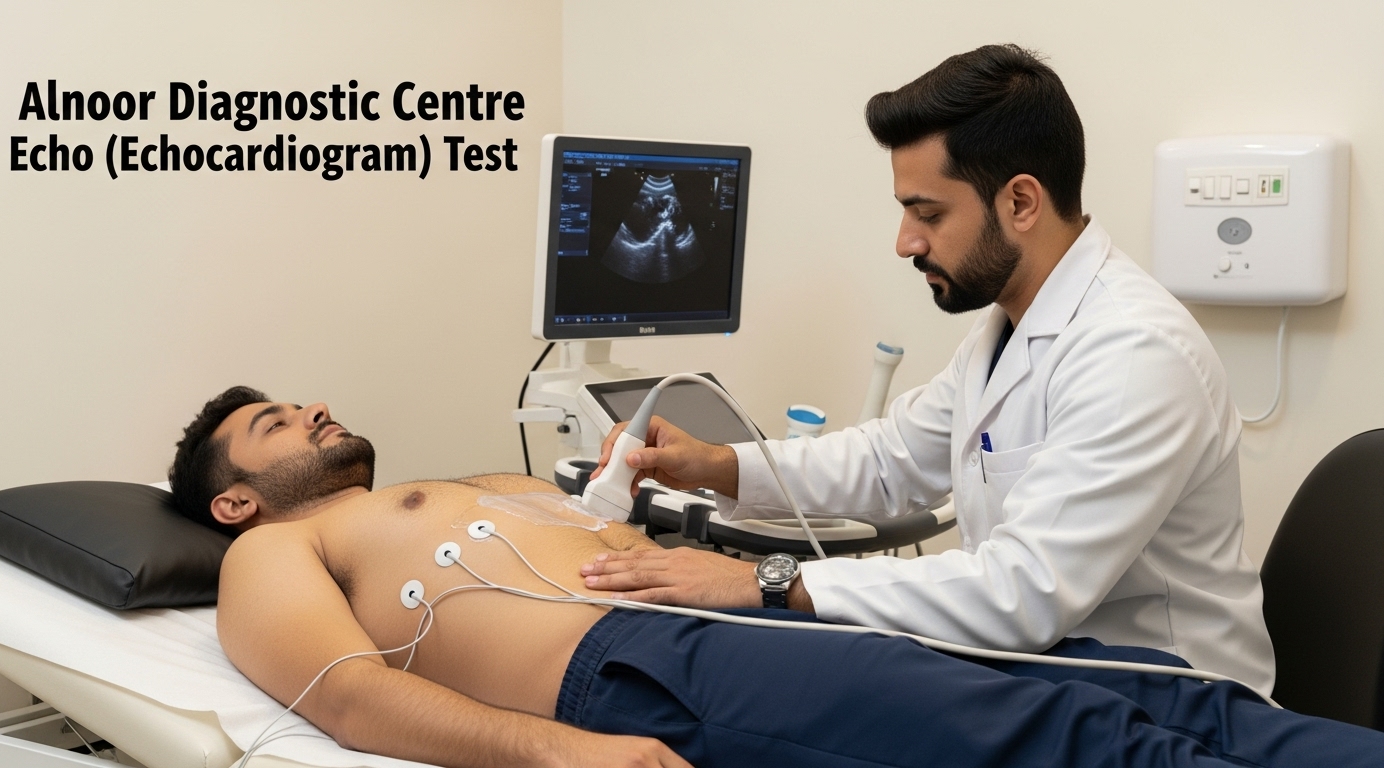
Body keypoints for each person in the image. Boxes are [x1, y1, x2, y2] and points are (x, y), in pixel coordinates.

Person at [172, 386, 1384, 768]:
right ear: (232, 497)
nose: (313, 411)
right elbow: (338, 693)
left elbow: (615, 513)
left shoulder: (460, 482)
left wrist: (641, 494)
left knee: (1155, 687)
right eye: (278, 424)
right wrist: (559, 751)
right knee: (1064, 730)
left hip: (721, 616)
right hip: (637, 667)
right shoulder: (274, 551)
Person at [583, 44, 1275, 692]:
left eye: (929, 213)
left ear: (1022, 202)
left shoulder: (1134, 353)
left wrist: (767, 582)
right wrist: (715, 465)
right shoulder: (1006, 325)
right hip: (1057, 677)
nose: (905, 241)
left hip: (1168, 706)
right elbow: (891, 460)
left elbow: (1022, 592)